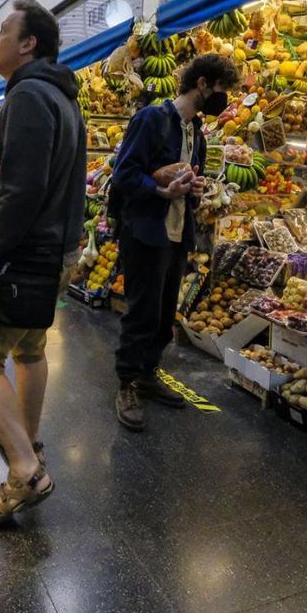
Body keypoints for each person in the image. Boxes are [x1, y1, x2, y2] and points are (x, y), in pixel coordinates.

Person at [0, 0, 85, 526]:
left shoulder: (28, 97)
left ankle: (25, 470)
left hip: (19, 257)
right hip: (52, 254)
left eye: (3, 30)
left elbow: (21, 191)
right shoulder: (63, 99)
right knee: (29, 350)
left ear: (28, 44)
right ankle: (29, 444)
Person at [110, 54, 239, 431]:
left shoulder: (194, 131)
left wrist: (194, 190)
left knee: (165, 315)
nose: (223, 99)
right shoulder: (152, 119)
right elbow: (125, 174)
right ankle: (126, 384)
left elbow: (186, 184)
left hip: (176, 234)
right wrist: (161, 190)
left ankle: (148, 373)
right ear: (202, 84)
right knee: (141, 313)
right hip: (145, 232)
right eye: (221, 90)